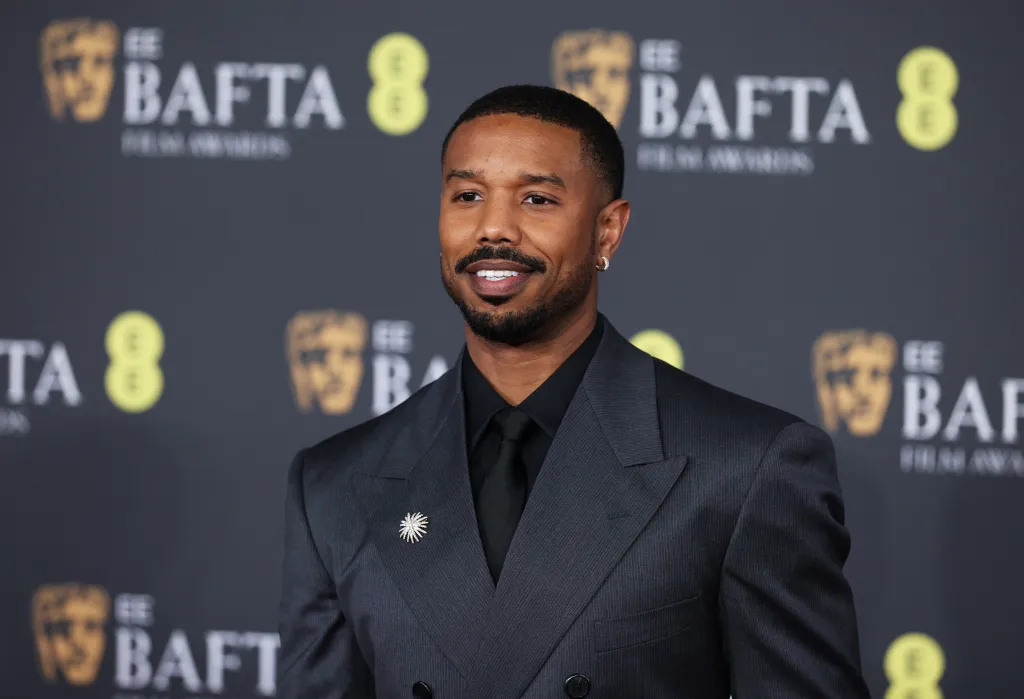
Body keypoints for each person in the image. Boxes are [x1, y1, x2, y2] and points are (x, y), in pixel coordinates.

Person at [277, 84, 870, 699]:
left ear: (607, 232)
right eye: (467, 196)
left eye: (536, 199)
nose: (493, 229)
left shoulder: (749, 466)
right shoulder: (332, 485)